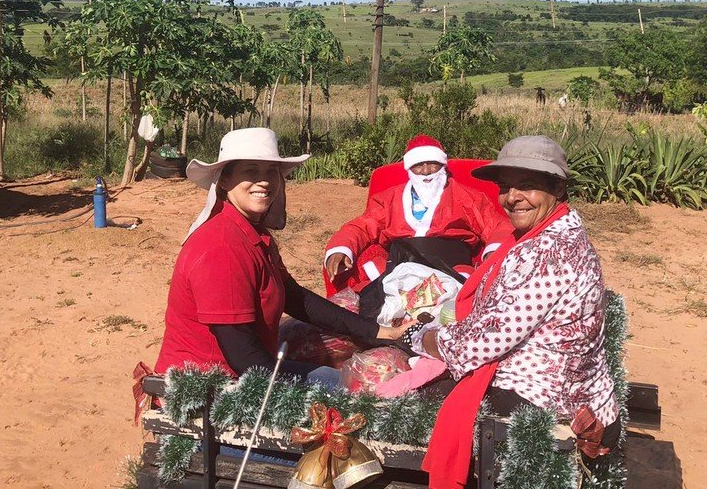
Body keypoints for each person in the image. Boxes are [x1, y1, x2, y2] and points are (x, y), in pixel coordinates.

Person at [408, 135, 620, 489]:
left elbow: (489, 339)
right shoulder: (546, 234)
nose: (512, 198)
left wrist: (422, 338)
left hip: (545, 398)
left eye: (528, 185)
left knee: (411, 393)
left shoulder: (551, 251)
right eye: (505, 187)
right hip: (558, 384)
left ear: (558, 188)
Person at [153, 128, 411, 384]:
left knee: (336, 380)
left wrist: (378, 330)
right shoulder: (223, 247)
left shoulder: (250, 233)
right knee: (347, 388)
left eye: (271, 172)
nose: (264, 181)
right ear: (224, 180)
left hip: (249, 368)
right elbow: (242, 355)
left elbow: (296, 298)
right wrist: (298, 395)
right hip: (213, 384)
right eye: (251, 171)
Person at [323, 135, 515, 286]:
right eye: (418, 165)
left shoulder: (468, 197)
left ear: (443, 165)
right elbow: (362, 226)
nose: (426, 171)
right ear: (409, 168)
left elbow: (498, 225)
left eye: (432, 163)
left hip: (451, 267)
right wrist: (341, 249)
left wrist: (495, 251)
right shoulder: (388, 199)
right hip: (399, 266)